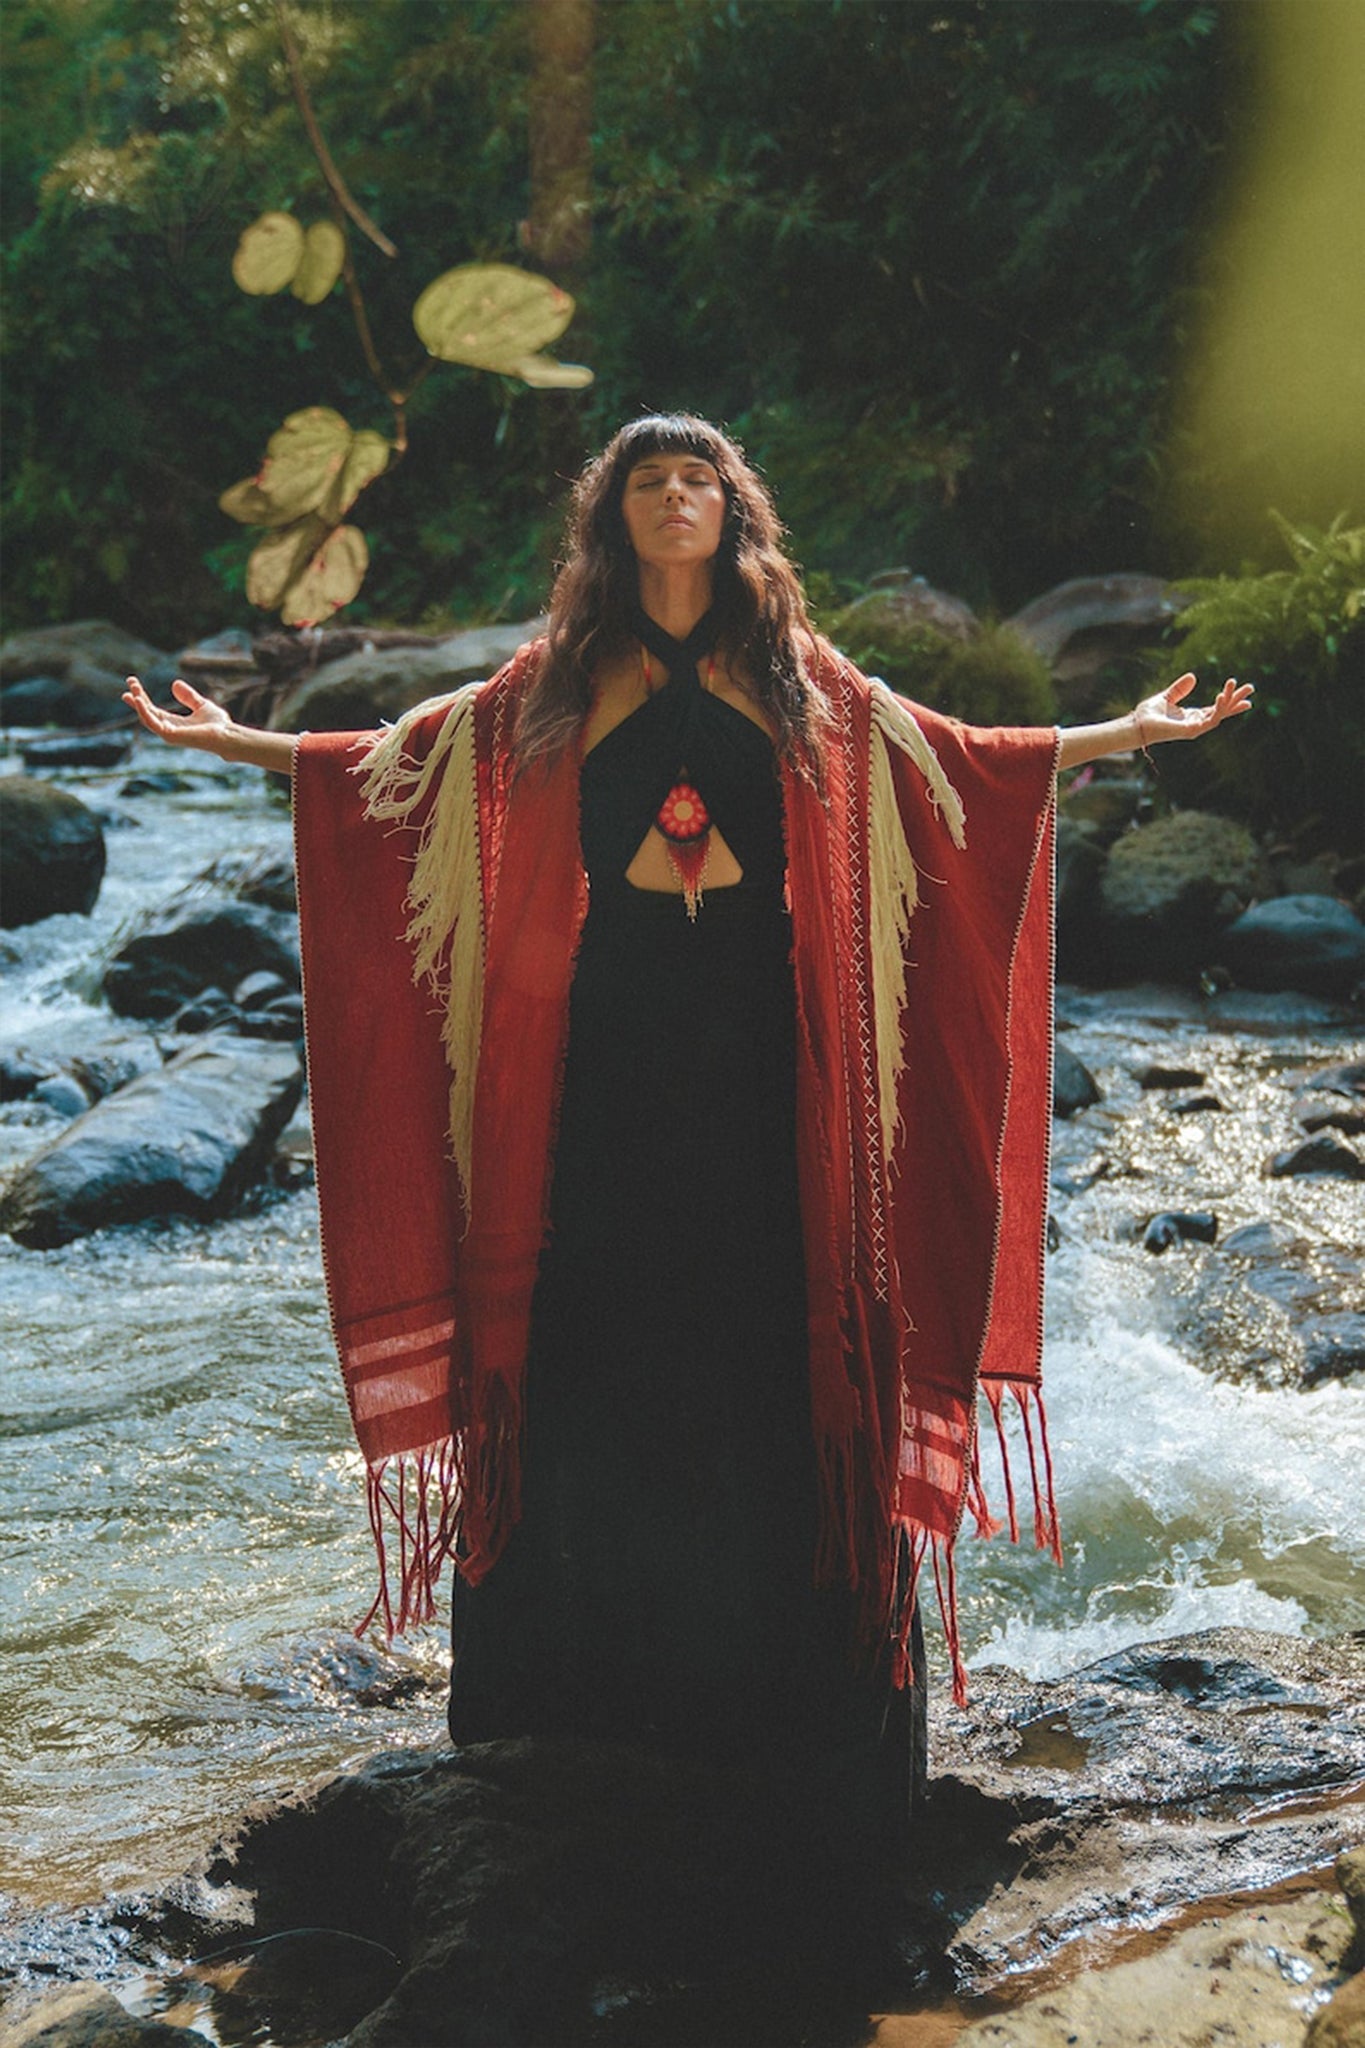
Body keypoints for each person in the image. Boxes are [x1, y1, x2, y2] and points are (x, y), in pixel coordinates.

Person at [124, 413, 1250, 1867]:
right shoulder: (555, 684)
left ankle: (780, 1713)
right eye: (648, 481)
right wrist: (237, 744)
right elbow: (391, 772)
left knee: (769, 1349)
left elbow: (957, 764)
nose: (675, 498)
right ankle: (586, 1707)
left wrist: (1124, 736)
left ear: (733, 514)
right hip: (597, 1069)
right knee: (597, 1346)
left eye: (697, 479)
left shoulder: (792, 679)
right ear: (613, 519)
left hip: (765, 1070)